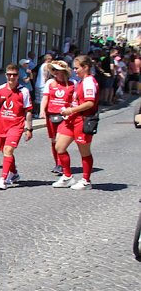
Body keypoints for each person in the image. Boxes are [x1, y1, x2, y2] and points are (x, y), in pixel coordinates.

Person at [0, 64, 33, 190]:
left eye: (14, 75)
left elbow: (28, 111)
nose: (12, 77)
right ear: (6, 75)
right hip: (2, 125)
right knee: (6, 151)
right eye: (9, 74)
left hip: (16, 125)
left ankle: (3, 179)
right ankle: (14, 173)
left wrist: (29, 128)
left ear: (18, 76)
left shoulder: (24, 91)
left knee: (8, 150)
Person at [52, 55, 99, 190]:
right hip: (72, 119)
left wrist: (71, 110)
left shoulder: (89, 81)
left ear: (86, 67)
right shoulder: (81, 81)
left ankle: (86, 180)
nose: (75, 70)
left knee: (84, 151)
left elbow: (90, 103)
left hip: (83, 120)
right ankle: (67, 176)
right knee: (60, 147)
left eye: (77, 68)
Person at [40, 60, 75, 174]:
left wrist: (73, 111)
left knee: (60, 139)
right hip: (51, 114)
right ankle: (57, 164)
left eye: (57, 70)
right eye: (53, 70)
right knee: (53, 140)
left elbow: (75, 100)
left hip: (65, 116)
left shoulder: (72, 83)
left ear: (63, 71)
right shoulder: (50, 83)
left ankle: (61, 165)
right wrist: (42, 111)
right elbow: (45, 98)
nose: (54, 72)